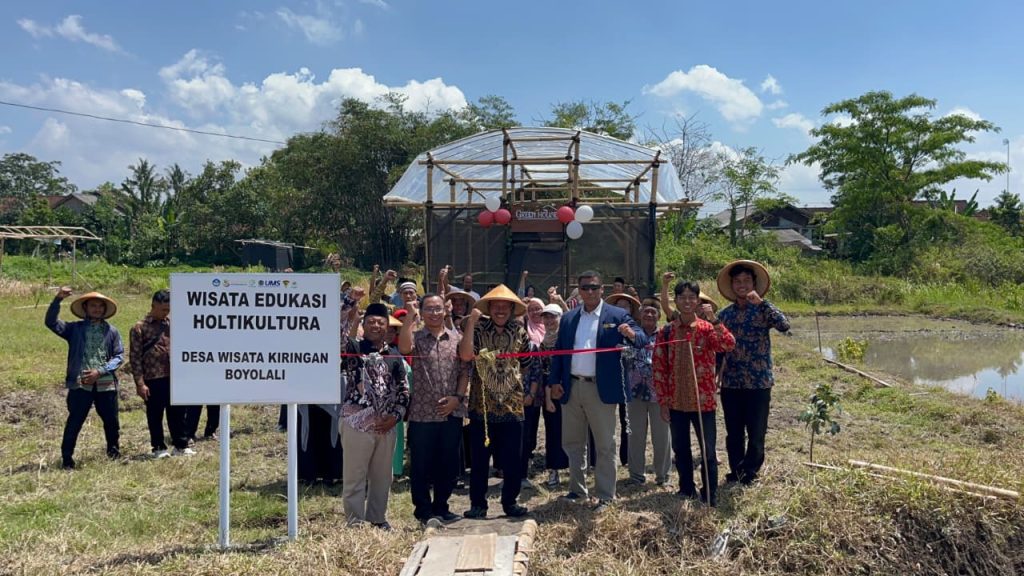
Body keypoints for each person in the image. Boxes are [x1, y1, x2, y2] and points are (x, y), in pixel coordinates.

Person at [548, 271, 646, 512]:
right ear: (579, 291)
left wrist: (631, 334)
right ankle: (577, 490)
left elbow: (642, 339)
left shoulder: (618, 315)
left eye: (594, 287)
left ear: (603, 290)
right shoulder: (570, 318)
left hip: (600, 389)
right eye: (585, 288)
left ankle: (605, 495)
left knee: (604, 444)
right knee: (572, 442)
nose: (589, 292)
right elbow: (559, 353)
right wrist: (554, 382)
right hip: (572, 386)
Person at [653, 281, 736, 506]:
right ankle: (686, 489)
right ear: (676, 301)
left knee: (708, 451)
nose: (687, 301)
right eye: (683, 297)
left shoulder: (707, 329)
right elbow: (659, 367)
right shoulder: (667, 331)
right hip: (676, 402)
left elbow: (728, 344)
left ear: (698, 301)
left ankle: (710, 494)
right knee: (681, 450)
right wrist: (663, 401)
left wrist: (715, 321)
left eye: (692, 297)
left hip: (703, 402)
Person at [459, 285, 533, 518]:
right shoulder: (479, 329)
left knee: (513, 459)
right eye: (496, 306)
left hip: (512, 405)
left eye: (505, 306)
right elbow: (465, 355)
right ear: (489, 308)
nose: (500, 310)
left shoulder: (520, 331)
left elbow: (528, 362)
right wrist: (471, 322)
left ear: (512, 309)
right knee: (480, 461)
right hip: (482, 405)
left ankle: (510, 502)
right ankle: (478, 504)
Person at [716, 260, 790, 486]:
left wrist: (763, 303)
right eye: (737, 281)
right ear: (732, 285)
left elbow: (784, 325)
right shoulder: (724, 316)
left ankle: (751, 471)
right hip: (732, 383)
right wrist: (715, 375)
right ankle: (736, 471)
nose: (742, 285)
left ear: (754, 283)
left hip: (759, 382)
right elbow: (718, 347)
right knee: (734, 433)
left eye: (746, 281)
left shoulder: (763, 310)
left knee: (757, 433)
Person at [399, 294, 468, 524]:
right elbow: (404, 348)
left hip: (451, 411)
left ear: (445, 311)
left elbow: (464, 371)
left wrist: (457, 398)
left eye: (438, 308)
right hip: (422, 413)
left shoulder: (456, 339)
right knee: (420, 464)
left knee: (448, 464)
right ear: (422, 311)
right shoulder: (417, 338)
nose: (434, 313)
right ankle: (424, 511)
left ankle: (442, 507)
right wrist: (410, 316)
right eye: (429, 309)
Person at [340, 303, 410, 530]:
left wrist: (395, 417)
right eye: (370, 321)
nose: (376, 326)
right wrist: (350, 309)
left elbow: (404, 391)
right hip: (356, 423)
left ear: (387, 326)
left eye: (380, 322)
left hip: (386, 425)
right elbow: (337, 339)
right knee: (354, 476)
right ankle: (355, 522)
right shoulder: (352, 348)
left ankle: (378, 518)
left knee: (382, 477)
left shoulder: (394, 356)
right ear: (364, 324)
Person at [45, 287, 124, 469]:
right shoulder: (74, 329)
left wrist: (101, 371)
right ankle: (67, 459)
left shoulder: (112, 331)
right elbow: (51, 323)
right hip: (81, 385)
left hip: (106, 384)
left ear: (104, 310)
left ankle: (113, 453)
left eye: (100, 306)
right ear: (86, 309)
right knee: (75, 421)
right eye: (93, 306)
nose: (97, 309)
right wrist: (57, 300)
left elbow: (119, 355)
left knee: (112, 422)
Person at [131, 289, 190, 458]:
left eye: (168, 309)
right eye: (163, 309)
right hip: (153, 378)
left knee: (178, 412)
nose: (166, 313)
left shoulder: (172, 325)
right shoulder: (139, 328)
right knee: (155, 414)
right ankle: (158, 447)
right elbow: (134, 358)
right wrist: (140, 383)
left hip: (173, 376)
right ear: (153, 306)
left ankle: (181, 445)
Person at [623, 298, 671, 486]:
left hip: (660, 393)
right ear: (640, 314)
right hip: (634, 393)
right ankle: (636, 476)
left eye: (653, 311)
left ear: (659, 315)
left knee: (662, 437)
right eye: (646, 311)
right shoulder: (631, 334)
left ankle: (663, 476)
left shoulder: (666, 335)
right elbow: (623, 357)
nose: (649, 314)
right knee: (635, 435)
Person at [534, 303, 568, 487]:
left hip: (568, 392)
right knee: (553, 433)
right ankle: (554, 471)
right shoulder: (543, 341)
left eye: (552, 317)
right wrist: (547, 398)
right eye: (546, 317)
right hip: (550, 394)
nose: (549, 321)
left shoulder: (565, 340)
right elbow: (545, 372)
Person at [519, 297, 546, 488]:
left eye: (539, 309)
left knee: (528, 433)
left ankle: (524, 470)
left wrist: (530, 394)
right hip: (508, 399)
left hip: (532, 396)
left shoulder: (533, 347)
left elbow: (536, 372)